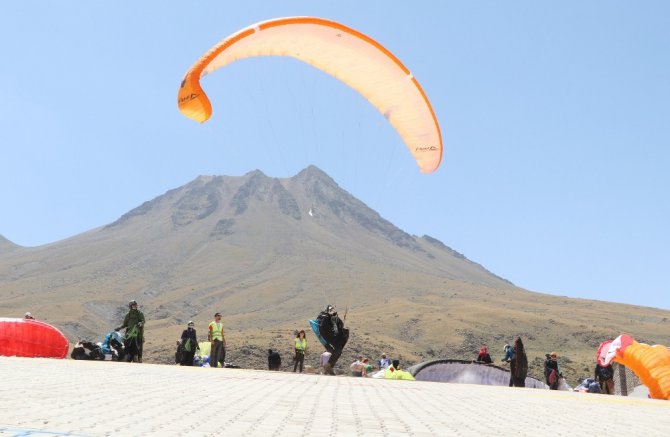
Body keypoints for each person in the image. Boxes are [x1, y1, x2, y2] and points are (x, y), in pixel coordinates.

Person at [312, 305, 349, 375]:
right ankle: (328, 365)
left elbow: (339, 325)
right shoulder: (325, 317)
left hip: (331, 337)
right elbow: (325, 327)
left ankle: (329, 366)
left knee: (338, 351)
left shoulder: (333, 318)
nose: (332, 311)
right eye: (331, 309)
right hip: (329, 336)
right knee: (338, 350)